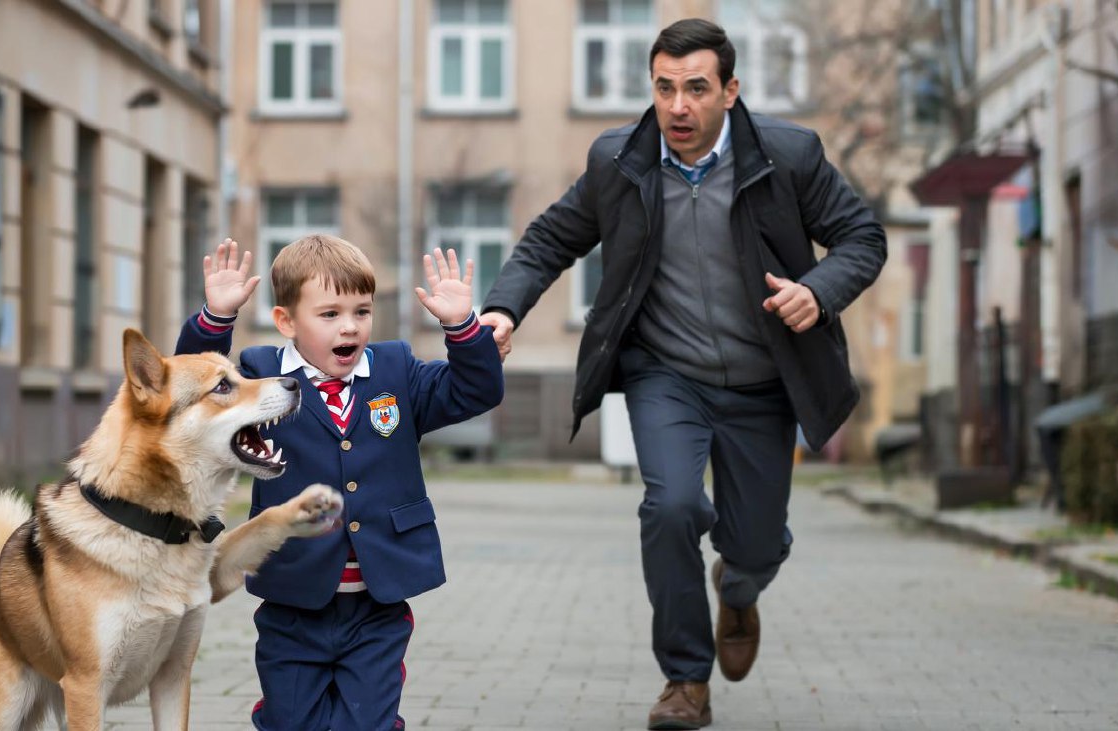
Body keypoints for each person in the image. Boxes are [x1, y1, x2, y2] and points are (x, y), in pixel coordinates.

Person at [479, 18, 886, 730]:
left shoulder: (788, 156)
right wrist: (503, 308)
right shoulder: (621, 161)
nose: (678, 107)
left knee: (755, 542)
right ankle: (685, 681)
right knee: (668, 506)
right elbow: (549, 238)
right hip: (666, 373)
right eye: (665, 88)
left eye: (696, 88)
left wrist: (817, 290)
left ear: (730, 90)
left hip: (764, 383)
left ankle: (740, 581)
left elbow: (863, 236)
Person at [176, 236, 503, 731]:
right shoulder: (263, 378)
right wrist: (216, 319)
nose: (350, 326)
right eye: (329, 314)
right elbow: (195, 392)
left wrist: (462, 326)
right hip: (292, 600)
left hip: (377, 605)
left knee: (367, 721)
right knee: (293, 721)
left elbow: (475, 390)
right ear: (287, 321)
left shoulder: (396, 370)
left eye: (361, 311)